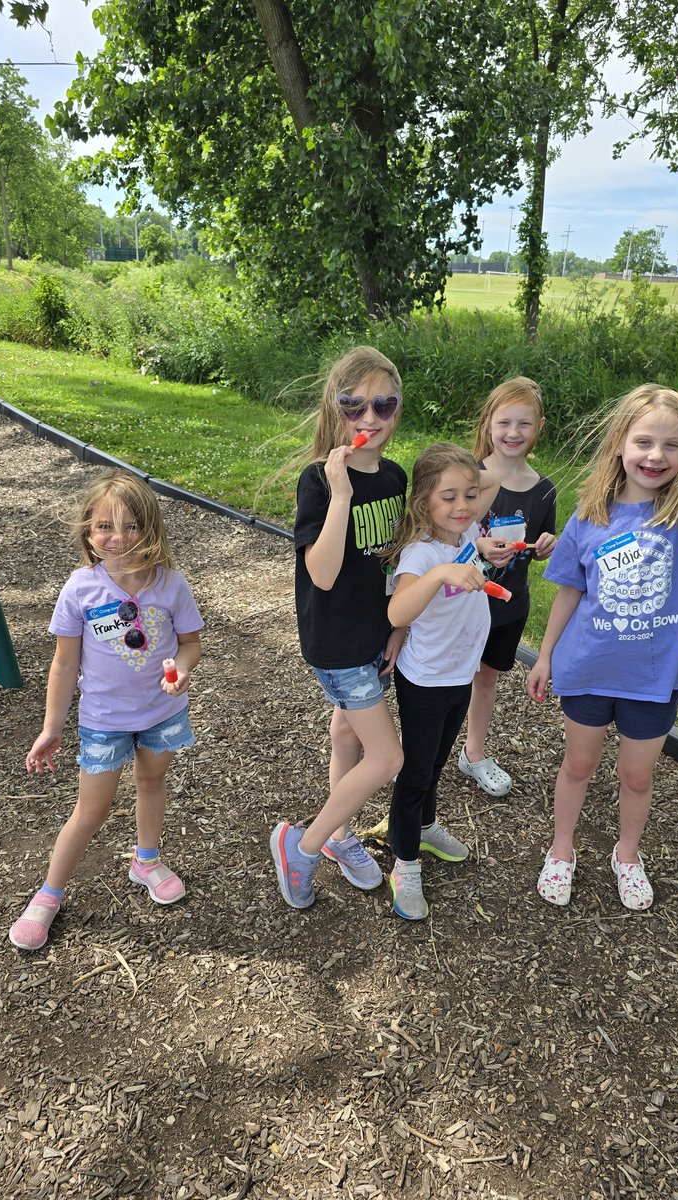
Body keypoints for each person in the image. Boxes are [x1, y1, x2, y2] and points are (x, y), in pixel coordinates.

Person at [527, 383, 678, 911]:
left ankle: (627, 855)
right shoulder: (589, 516)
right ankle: (561, 849)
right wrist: (545, 655)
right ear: (619, 443)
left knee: (637, 775)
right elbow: (571, 590)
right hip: (588, 668)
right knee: (577, 766)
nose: (656, 455)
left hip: (652, 679)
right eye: (643, 441)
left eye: (673, 445)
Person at [9, 470, 204, 951]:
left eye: (131, 525)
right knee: (91, 810)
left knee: (152, 782)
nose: (118, 537)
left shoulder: (170, 585)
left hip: (161, 713)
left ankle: (146, 860)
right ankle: (49, 895)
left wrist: (180, 670)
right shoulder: (80, 589)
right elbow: (63, 662)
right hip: (104, 722)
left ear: (151, 529)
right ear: (87, 533)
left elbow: (191, 644)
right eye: (104, 526)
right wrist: (52, 726)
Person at [270, 347, 406, 910]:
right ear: (335, 408)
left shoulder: (397, 477)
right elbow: (322, 574)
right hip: (336, 643)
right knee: (387, 759)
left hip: (374, 633)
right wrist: (342, 494)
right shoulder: (319, 481)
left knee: (348, 734)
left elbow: (394, 562)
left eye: (383, 405)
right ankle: (302, 844)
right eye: (354, 406)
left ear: (398, 410)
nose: (368, 420)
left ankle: (340, 835)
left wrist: (397, 629)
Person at [384, 442, 505, 920]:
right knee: (414, 774)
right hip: (426, 680)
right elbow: (398, 610)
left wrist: (482, 544)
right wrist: (439, 574)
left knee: (434, 763)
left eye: (469, 496)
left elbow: (489, 480)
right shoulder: (421, 553)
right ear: (423, 504)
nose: (462, 506)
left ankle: (425, 825)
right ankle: (404, 861)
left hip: (460, 673)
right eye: (448, 497)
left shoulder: (468, 531)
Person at [459, 377, 557, 797]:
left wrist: (545, 547)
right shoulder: (468, 475)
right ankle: (424, 750)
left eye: (524, 424)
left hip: (508, 608)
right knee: (446, 678)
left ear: (539, 427)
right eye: (504, 423)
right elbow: (441, 535)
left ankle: (473, 753)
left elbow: (540, 541)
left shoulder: (545, 489)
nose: (513, 434)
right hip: (459, 604)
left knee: (485, 680)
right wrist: (476, 543)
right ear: (489, 424)